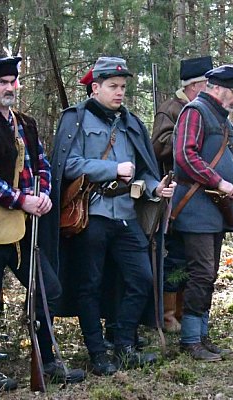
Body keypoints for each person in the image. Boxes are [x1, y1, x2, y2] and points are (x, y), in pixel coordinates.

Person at [0, 56, 86, 391]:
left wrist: (43, 193)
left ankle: (47, 360)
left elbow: (42, 163)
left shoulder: (25, 123)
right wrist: (21, 199)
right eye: (1, 82)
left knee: (48, 291)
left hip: (25, 227)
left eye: (12, 81)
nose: (9, 87)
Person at [47, 56, 175, 376]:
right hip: (91, 213)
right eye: (113, 86)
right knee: (89, 284)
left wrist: (153, 189)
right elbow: (67, 165)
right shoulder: (75, 119)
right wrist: (111, 168)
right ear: (95, 87)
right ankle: (98, 352)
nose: (120, 93)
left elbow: (142, 171)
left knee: (141, 278)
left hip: (126, 214)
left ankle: (124, 343)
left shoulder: (131, 122)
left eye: (123, 87)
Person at [172, 65, 233, 361]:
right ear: (216, 88)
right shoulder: (195, 111)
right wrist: (219, 182)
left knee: (209, 273)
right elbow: (184, 155)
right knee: (201, 272)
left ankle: (201, 335)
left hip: (216, 207)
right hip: (196, 206)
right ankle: (190, 340)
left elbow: (230, 159)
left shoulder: (223, 119)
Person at [151, 56, 212, 333]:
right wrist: (187, 133)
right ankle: (168, 315)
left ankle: (189, 313)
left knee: (193, 260)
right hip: (177, 195)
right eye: (206, 85)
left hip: (199, 194)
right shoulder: (171, 109)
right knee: (175, 256)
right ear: (195, 86)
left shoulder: (204, 110)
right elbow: (159, 147)